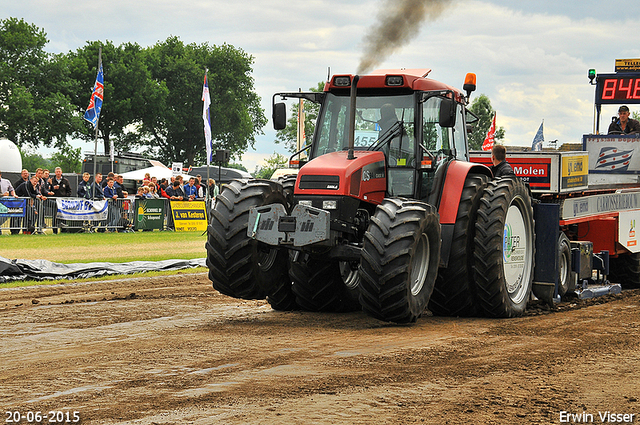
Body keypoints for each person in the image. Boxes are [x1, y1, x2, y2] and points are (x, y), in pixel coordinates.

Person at [11, 169, 29, 234]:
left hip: (27, 202)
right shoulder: (18, 183)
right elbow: (14, 191)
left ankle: (25, 230)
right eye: (24, 173)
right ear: (21, 175)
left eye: (26, 173)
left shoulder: (30, 182)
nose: (25, 174)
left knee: (26, 217)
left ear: (28, 174)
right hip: (18, 202)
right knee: (16, 216)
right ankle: (14, 230)